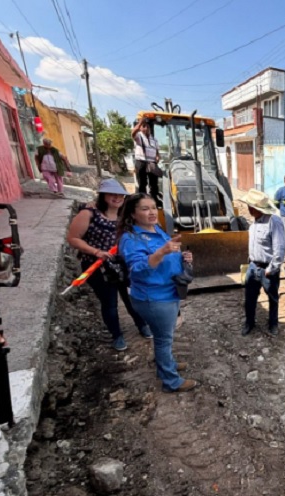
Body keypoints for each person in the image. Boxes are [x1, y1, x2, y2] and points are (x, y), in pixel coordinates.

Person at [118, 193, 198, 393]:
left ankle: (167, 363)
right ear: (133, 214)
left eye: (153, 207)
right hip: (154, 298)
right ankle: (171, 381)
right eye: (145, 209)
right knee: (163, 339)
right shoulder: (131, 239)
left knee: (165, 335)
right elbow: (136, 270)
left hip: (168, 292)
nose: (152, 212)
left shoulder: (157, 230)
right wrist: (162, 252)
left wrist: (182, 257)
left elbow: (169, 254)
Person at [67, 179, 151, 351]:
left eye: (120, 194)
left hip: (124, 265)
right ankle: (117, 335)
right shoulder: (89, 213)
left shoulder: (125, 215)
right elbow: (73, 238)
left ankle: (142, 325)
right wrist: (97, 252)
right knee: (110, 303)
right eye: (112, 194)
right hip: (98, 266)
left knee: (132, 298)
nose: (117, 197)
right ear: (103, 195)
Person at [240, 189, 285, 337]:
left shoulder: (274, 221)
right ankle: (250, 323)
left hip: (267, 269)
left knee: (272, 298)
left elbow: (279, 249)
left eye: (251, 206)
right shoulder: (253, 224)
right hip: (253, 266)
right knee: (250, 298)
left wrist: (271, 269)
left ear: (256, 208)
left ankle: (273, 324)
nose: (249, 208)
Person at [131, 119, 161, 207]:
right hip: (141, 162)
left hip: (152, 163)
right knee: (142, 183)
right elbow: (132, 133)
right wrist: (140, 122)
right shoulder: (138, 136)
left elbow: (157, 152)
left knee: (154, 183)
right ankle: (141, 201)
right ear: (140, 128)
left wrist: (157, 156)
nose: (146, 128)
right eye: (144, 126)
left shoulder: (154, 139)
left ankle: (154, 199)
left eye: (147, 126)